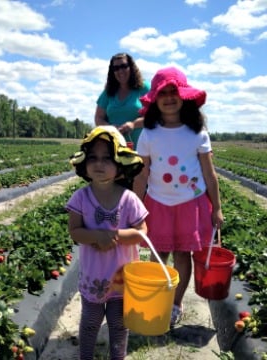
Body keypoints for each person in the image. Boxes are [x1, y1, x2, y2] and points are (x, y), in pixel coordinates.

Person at [133, 67, 224, 327]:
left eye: (175, 92)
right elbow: (141, 176)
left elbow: (210, 174)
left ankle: (175, 303)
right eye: (164, 93)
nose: (170, 97)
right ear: (155, 99)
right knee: (158, 255)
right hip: (158, 203)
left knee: (183, 256)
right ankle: (159, 299)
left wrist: (216, 208)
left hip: (190, 204)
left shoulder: (197, 133)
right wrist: (135, 209)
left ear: (184, 97)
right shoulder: (149, 134)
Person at [66, 126, 148, 360]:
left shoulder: (129, 199)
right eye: (93, 158)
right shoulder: (80, 198)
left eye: (107, 158)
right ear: (84, 164)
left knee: (119, 324)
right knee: (90, 322)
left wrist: (115, 236)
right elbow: (75, 231)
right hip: (94, 278)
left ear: (120, 164)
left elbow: (143, 231)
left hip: (123, 278)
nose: (99, 164)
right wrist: (96, 236)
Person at [94, 53, 151, 148]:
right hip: (113, 147)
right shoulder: (108, 91)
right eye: (116, 68)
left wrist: (133, 124)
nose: (120, 70)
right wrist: (111, 128)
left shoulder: (144, 87)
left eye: (124, 66)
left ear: (131, 67)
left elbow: (154, 116)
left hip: (141, 148)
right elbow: (98, 118)